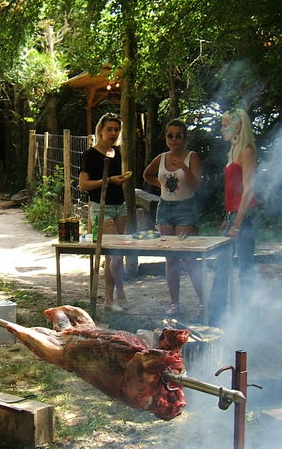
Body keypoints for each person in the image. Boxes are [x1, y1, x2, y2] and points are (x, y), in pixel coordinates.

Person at [143, 118, 205, 317]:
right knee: (170, 259)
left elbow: (196, 185)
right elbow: (147, 174)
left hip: (186, 208)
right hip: (165, 208)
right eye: (170, 135)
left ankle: (203, 302)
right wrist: (160, 185)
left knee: (188, 258)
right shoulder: (161, 158)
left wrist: (184, 169)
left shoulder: (192, 157)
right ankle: (175, 304)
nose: (174, 139)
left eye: (178, 136)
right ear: (166, 137)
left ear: (184, 138)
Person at [209, 108, 259, 325]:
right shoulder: (233, 151)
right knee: (223, 267)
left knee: (244, 268)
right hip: (235, 215)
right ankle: (218, 318)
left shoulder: (247, 151)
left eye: (226, 124)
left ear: (239, 126)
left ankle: (246, 318)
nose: (222, 129)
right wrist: (228, 216)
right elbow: (234, 191)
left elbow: (248, 190)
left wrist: (236, 224)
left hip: (245, 217)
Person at [78, 113, 132, 313]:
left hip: (120, 206)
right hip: (101, 207)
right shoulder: (90, 155)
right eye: (109, 129)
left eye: (116, 129)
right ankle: (114, 297)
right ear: (100, 130)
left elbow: (114, 178)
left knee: (117, 256)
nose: (113, 133)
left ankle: (115, 297)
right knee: (113, 256)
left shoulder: (116, 152)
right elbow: (83, 185)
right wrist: (109, 180)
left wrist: (119, 179)